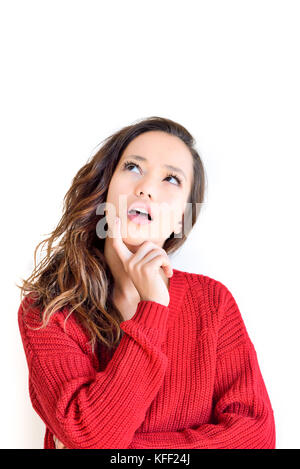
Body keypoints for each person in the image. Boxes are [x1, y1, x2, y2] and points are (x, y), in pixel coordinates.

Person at [17, 116, 276, 449]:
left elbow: (256, 437)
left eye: (171, 178)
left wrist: (126, 448)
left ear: (183, 216)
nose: (147, 188)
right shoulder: (48, 308)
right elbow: (91, 438)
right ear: (107, 187)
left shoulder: (212, 301)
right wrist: (152, 308)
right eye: (133, 168)